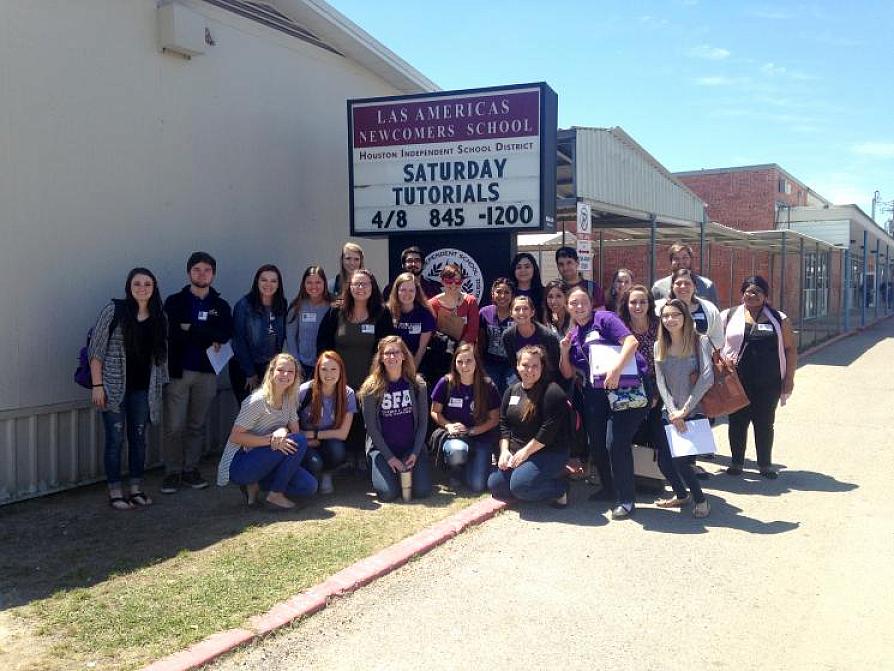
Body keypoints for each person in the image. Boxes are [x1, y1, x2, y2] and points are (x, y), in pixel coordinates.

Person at [559, 285, 648, 519]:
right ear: (567, 307)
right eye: (573, 303)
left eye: (583, 302)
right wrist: (564, 351)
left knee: (616, 443)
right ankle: (609, 489)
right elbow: (568, 374)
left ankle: (626, 499)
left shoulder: (605, 318)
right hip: (597, 394)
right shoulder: (574, 335)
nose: (579, 307)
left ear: (591, 303)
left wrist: (616, 370)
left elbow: (631, 342)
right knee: (596, 443)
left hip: (627, 387)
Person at [88, 268, 169, 510]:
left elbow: (161, 357)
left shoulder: (159, 317)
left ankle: (136, 488)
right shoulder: (114, 311)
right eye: (137, 283)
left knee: (139, 439)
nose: (142, 288)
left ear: (154, 288)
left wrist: (159, 389)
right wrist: (97, 385)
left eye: (147, 284)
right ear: (129, 286)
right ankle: (115, 491)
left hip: (142, 391)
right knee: (114, 440)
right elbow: (96, 351)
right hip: (113, 389)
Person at [162, 251, 232, 494]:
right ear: (189, 272)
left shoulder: (220, 306)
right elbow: (172, 332)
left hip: (207, 373)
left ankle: (190, 469)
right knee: (174, 425)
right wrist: (205, 335)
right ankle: (172, 472)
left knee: (197, 424)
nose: (202, 274)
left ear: (213, 274)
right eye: (197, 270)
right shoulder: (174, 302)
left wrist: (192, 330)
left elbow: (224, 334)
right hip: (179, 372)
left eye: (207, 270)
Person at [216, 353, 317, 509]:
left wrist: (282, 430)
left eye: (291, 372)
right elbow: (235, 437)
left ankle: (256, 485)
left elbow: (295, 432)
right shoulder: (257, 401)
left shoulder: (289, 400)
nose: (285, 375)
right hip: (241, 462)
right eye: (280, 370)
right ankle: (275, 494)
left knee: (309, 486)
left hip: (267, 457)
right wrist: (271, 440)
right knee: (299, 441)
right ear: (271, 372)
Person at [721, 276, 797, 478]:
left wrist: (789, 379)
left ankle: (765, 465)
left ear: (765, 296)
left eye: (757, 292)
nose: (752, 295)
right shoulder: (728, 316)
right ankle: (737, 462)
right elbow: (716, 346)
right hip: (737, 382)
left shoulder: (779, 319)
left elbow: (790, 349)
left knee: (764, 423)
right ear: (741, 293)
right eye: (748, 291)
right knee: (737, 421)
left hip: (768, 382)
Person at [317, 268, 393, 469]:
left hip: (371, 379)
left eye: (365, 284)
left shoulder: (382, 313)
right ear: (348, 287)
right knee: (344, 415)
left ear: (372, 287)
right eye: (356, 284)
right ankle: (346, 456)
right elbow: (323, 345)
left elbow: (388, 347)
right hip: (339, 379)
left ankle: (363, 455)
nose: (360, 288)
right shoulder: (336, 312)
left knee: (367, 417)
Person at [488, 345, 571, 506]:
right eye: (525, 365)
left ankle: (560, 488)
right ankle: (530, 482)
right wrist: (504, 451)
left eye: (535, 366)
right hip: (518, 450)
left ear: (542, 367)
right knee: (496, 486)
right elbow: (504, 425)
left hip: (549, 451)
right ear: (517, 366)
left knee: (521, 487)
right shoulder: (511, 391)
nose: (529, 370)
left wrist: (524, 453)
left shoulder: (552, 392)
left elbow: (547, 431)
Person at [653, 299, 714, 517]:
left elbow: (707, 378)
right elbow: (661, 382)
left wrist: (684, 411)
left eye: (675, 315)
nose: (670, 319)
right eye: (666, 315)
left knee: (681, 461)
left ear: (685, 317)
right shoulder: (659, 345)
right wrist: (672, 411)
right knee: (663, 461)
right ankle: (681, 495)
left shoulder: (700, 342)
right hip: (669, 412)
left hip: (693, 411)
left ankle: (702, 501)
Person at [360, 337, 432, 502]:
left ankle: (406, 474)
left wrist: (415, 452)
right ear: (381, 358)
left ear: (404, 356)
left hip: (411, 448)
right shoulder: (370, 388)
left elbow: (423, 424)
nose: (391, 357)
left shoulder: (417, 384)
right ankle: (390, 474)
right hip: (382, 450)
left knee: (422, 492)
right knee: (388, 494)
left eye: (396, 352)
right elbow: (371, 428)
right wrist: (390, 457)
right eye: (387, 353)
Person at [429, 343, 501, 492]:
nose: (464, 365)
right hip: (455, 437)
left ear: (476, 362)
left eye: (469, 361)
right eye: (460, 361)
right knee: (457, 451)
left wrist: (474, 430)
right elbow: (435, 412)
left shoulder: (488, 385)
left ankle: (471, 466)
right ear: (454, 363)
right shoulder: (446, 383)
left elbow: (494, 418)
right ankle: (455, 472)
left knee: (477, 485)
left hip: (480, 436)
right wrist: (448, 426)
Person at [297, 351, 356, 495]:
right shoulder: (304, 391)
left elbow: (342, 434)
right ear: (317, 370)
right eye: (324, 369)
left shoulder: (348, 394)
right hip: (306, 441)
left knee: (338, 450)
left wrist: (315, 434)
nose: (328, 374)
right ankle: (311, 474)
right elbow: (289, 423)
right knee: (315, 463)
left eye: (333, 369)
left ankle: (327, 473)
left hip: (328, 439)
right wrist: (308, 440)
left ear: (341, 371)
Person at [230, 264, 287, 405]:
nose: (268, 284)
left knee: (269, 415)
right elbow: (238, 341)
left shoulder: (281, 304)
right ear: (257, 282)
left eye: (273, 281)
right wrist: (250, 373)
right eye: (264, 280)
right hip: (246, 369)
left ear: (279, 284)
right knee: (249, 415)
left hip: (270, 370)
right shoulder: (244, 305)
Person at [427, 263, 480, 382]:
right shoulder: (432, 304)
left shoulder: (470, 301)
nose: (453, 285)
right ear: (442, 281)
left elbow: (472, 331)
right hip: (441, 353)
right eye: (449, 281)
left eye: (457, 282)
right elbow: (430, 331)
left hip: (465, 351)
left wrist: (459, 351)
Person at [285, 265, 332, 380]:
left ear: (324, 283)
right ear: (303, 284)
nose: (313, 286)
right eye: (309, 282)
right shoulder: (297, 306)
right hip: (303, 366)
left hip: (327, 365)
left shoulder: (333, 305)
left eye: (318, 282)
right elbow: (291, 338)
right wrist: (296, 365)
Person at [656, 268, 723, 348]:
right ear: (672, 286)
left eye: (687, 283)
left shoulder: (710, 309)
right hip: (669, 358)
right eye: (678, 283)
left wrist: (702, 350)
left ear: (694, 286)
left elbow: (718, 339)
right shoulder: (658, 308)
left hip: (700, 358)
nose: (683, 286)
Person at [501, 296, 560, 384]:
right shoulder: (508, 336)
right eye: (517, 309)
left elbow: (554, 366)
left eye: (525, 308)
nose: (521, 312)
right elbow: (514, 364)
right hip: (523, 377)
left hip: (547, 380)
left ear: (532, 312)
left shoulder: (548, 337)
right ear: (511, 313)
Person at [387, 271, 436, 369]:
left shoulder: (425, 315)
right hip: (390, 362)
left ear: (416, 292)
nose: (407, 294)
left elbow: (421, 349)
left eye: (411, 290)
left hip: (415, 364)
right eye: (403, 290)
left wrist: (411, 371)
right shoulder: (387, 312)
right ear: (396, 291)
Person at [477, 277, 516, 396]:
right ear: (493, 294)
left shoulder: (518, 313)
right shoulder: (484, 313)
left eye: (507, 292)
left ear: (513, 295)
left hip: (513, 364)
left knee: (511, 394)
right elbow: (479, 340)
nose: (502, 296)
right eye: (498, 292)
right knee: (491, 394)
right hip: (490, 363)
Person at [651, 242, 718, 305]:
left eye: (685, 258)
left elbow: (714, 313)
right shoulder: (659, 287)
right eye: (676, 258)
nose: (681, 262)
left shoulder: (707, 286)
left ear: (691, 259)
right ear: (671, 262)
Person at [509, 252, 545, 322]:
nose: (523, 270)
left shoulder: (544, 293)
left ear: (534, 269)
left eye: (527, 267)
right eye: (519, 267)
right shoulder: (508, 294)